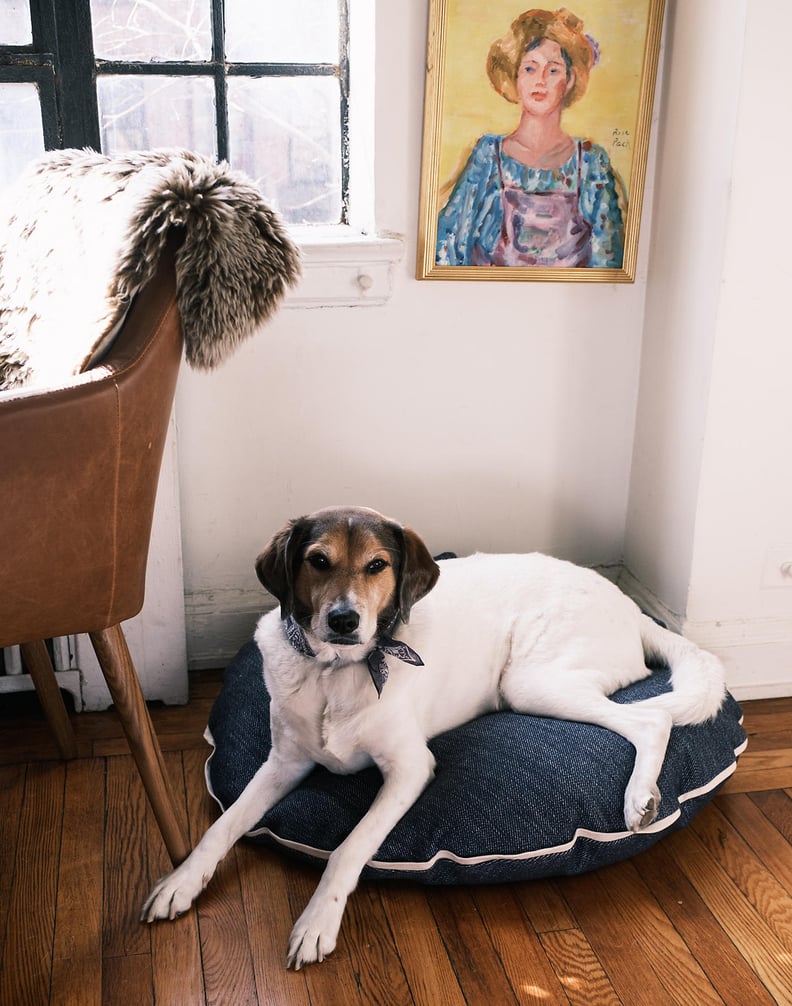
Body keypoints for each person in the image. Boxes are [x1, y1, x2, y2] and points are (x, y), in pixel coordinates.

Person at [436, 7, 624, 269]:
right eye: (529, 68)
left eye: (553, 70)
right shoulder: (488, 157)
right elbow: (448, 244)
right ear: (515, 77)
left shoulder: (591, 165)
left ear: (569, 80)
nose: (541, 80)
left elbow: (608, 260)